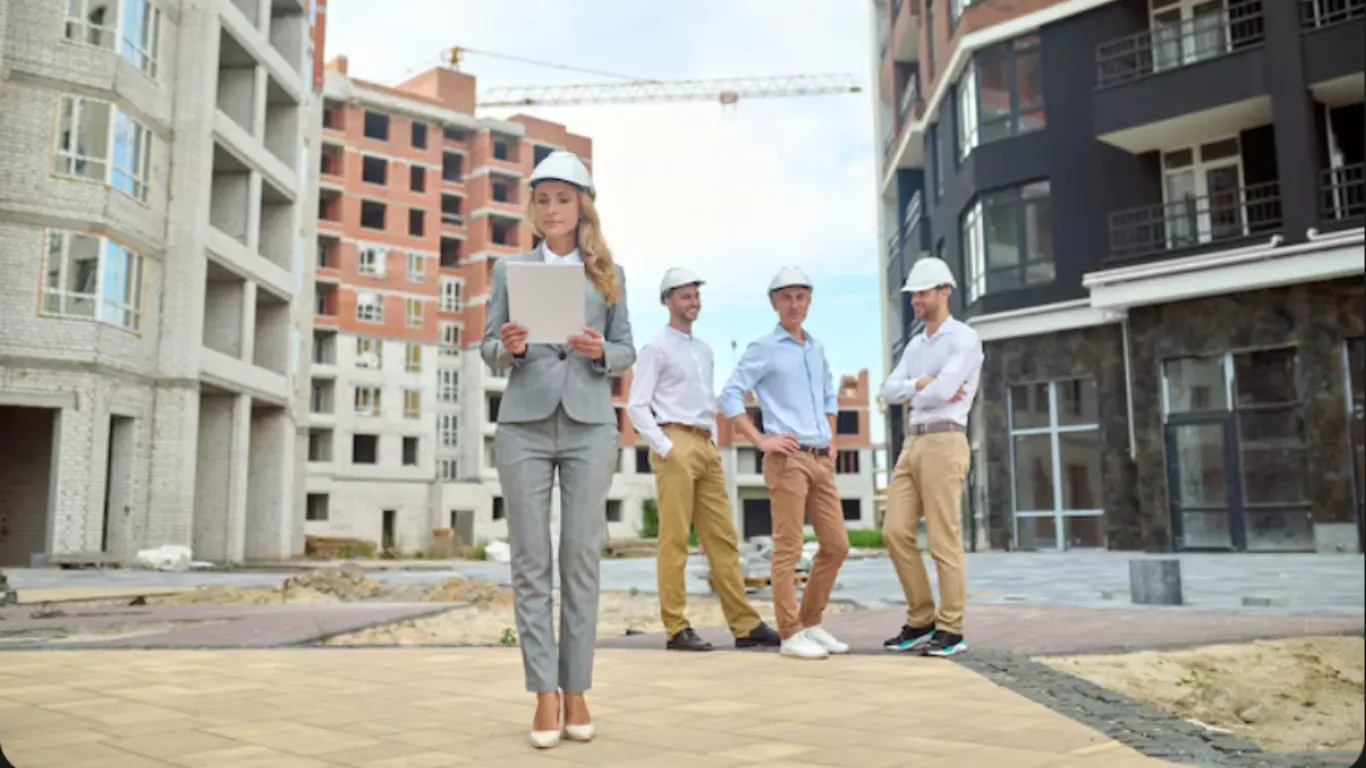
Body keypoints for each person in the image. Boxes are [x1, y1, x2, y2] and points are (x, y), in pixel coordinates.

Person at [481, 150, 635, 748]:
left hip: (590, 424)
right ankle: (544, 693)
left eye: (562, 199)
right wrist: (512, 346)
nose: (551, 209)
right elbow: (487, 347)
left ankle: (577, 687)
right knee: (530, 562)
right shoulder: (508, 269)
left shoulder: (609, 272)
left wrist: (601, 350)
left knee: (580, 558)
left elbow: (627, 349)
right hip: (523, 422)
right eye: (542, 199)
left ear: (582, 206)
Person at [627, 267, 784, 653]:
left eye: (696, 295)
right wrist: (666, 448)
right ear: (667, 301)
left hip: (706, 443)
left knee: (724, 540)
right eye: (685, 296)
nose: (693, 302)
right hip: (675, 441)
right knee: (675, 540)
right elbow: (635, 405)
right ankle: (676, 626)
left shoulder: (705, 351)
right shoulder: (655, 347)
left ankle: (744, 626)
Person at [718, 266, 851, 661]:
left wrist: (830, 438)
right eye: (786, 297)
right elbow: (729, 397)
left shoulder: (817, 348)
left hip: (819, 458)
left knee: (837, 545)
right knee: (788, 549)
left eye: (801, 297)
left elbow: (829, 398)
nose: (794, 304)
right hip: (788, 459)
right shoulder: (763, 348)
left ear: (809, 301)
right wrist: (761, 440)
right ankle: (790, 632)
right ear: (774, 302)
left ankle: (810, 622)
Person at [878, 256, 982, 658]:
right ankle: (921, 619)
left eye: (922, 292)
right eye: (913, 294)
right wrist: (922, 382)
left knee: (943, 539)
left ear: (944, 291)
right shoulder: (916, 345)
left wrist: (918, 388)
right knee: (895, 532)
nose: (915, 300)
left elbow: (946, 391)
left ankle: (951, 629)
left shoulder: (964, 339)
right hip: (913, 444)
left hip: (944, 441)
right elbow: (888, 391)